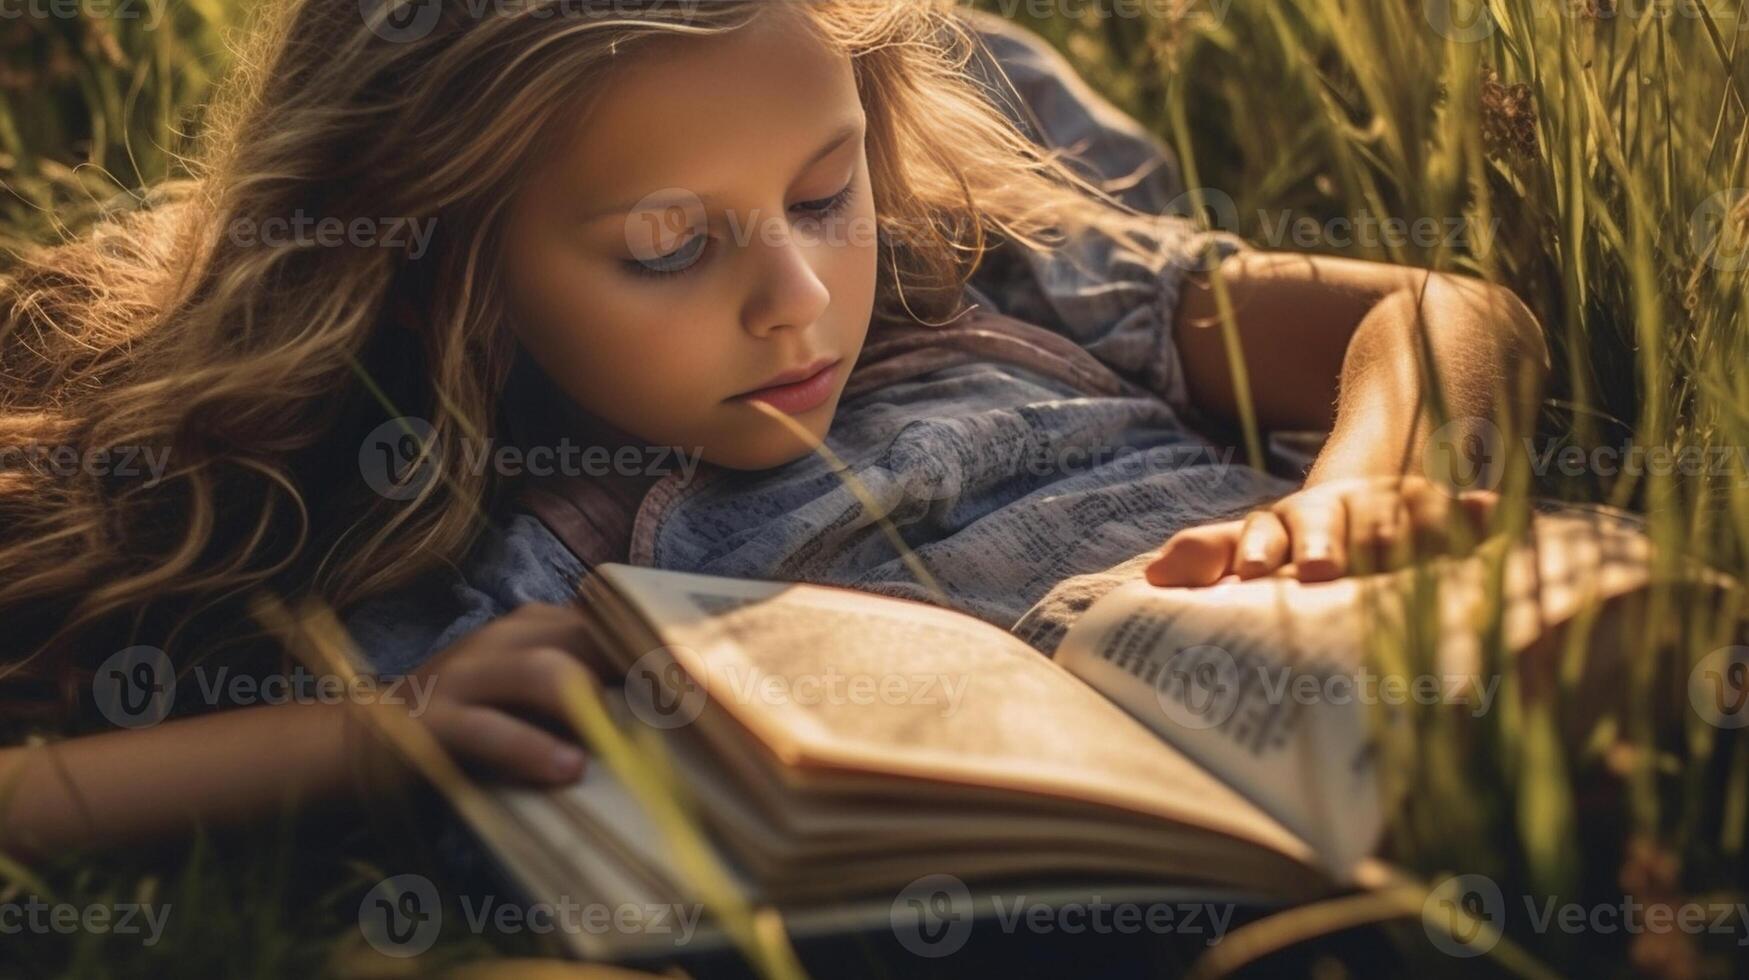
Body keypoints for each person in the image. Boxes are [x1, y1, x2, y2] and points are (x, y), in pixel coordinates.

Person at [0, 0, 1545, 858]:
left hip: (1455, 659)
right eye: (670, 248)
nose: (799, 298)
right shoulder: (479, 553)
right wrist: (380, 737)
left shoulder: (991, 289)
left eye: (825, 194)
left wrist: (1366, 482)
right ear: (434, 275)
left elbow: (1433, 308)